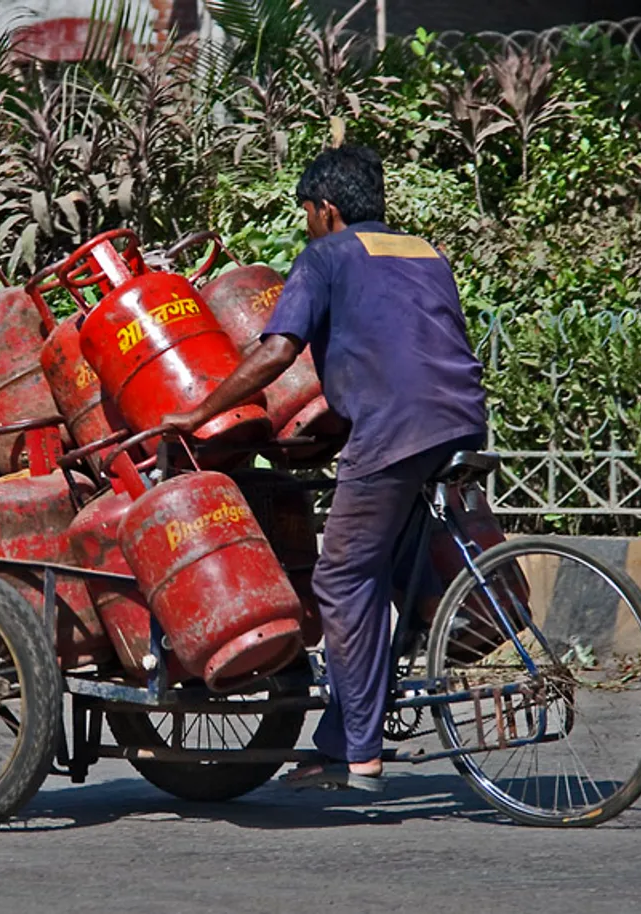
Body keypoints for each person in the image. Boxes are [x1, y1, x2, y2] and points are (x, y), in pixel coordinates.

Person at [161, 145, 488, 790]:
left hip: (395, 429)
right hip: (460, 418)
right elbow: (398, 344)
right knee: (384, 563)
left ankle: (358, 753)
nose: (306, 224)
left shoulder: (326, 255)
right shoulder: (424, 251)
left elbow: (279, 349)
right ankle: (354, 720)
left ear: (327, 209)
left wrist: (200, 412)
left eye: (306, 212)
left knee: (339, 578)